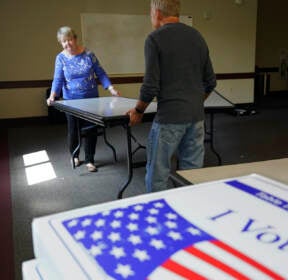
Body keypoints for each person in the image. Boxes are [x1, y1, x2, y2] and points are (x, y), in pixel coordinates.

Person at [127, 0, 216, 192]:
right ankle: (188, 212)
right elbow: (210, 82)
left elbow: (150, 86)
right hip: (196, 117)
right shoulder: (197, 37)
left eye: (150, 13)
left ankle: (157, 213)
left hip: (169, 119)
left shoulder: (154, 39)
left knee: (158, 174)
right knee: (192, 175)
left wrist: (138, 111)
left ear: (157, 13)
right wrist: (193, 102)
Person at [47, 26, 120, 172]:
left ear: (75, 39)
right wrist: (52, 95)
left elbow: (101, 73)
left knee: (91, 129)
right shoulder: (60, 58)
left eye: (69, 40)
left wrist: (111, 88)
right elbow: (58, 79)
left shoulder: (89, 54)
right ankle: (74, 156)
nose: (67, 44)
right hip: (71, 101)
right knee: (73, 130)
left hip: (91, 100)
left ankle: (90, 160)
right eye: (63, 42)